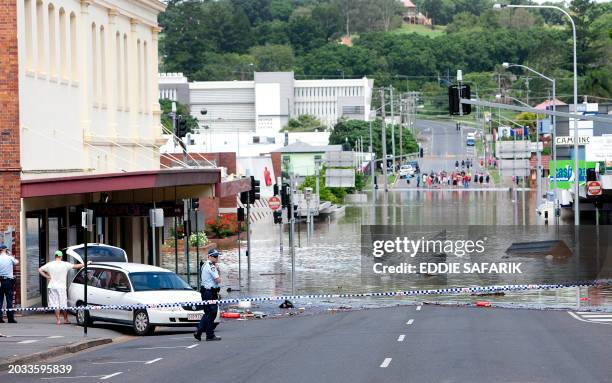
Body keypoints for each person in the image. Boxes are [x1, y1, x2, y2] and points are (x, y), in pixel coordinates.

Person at [38, 251, 85, 325]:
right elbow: (76, 266)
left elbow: (40, 269)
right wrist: (85, 264)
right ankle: (66, 319)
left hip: (52, 286)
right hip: (61, 287)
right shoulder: (65, 264)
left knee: (56, 304)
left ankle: (58, 320)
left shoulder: (50, 264)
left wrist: (47, 277)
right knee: (63, 303)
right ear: (61, 256)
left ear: (55, 256)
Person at [194, 249, 222, 341]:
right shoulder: (211, 266)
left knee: (209, 313)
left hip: (206, 292)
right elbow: (218, 280)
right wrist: (218, 270)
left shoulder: (204, 265)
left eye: (217, 256)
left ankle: (201, 332)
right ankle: (207, 334)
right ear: (209, 256)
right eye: (215, 256)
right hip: (210, 293)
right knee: (211, 313)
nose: (216, 258)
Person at [0, 244, 19, 323]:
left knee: (0, 300)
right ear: (5, 250)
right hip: (8, 281)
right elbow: (17, 262)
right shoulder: (10, 258)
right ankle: (10, 318)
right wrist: (10, 254)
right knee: (9, 300)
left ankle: (0, 318)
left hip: (0, 280)